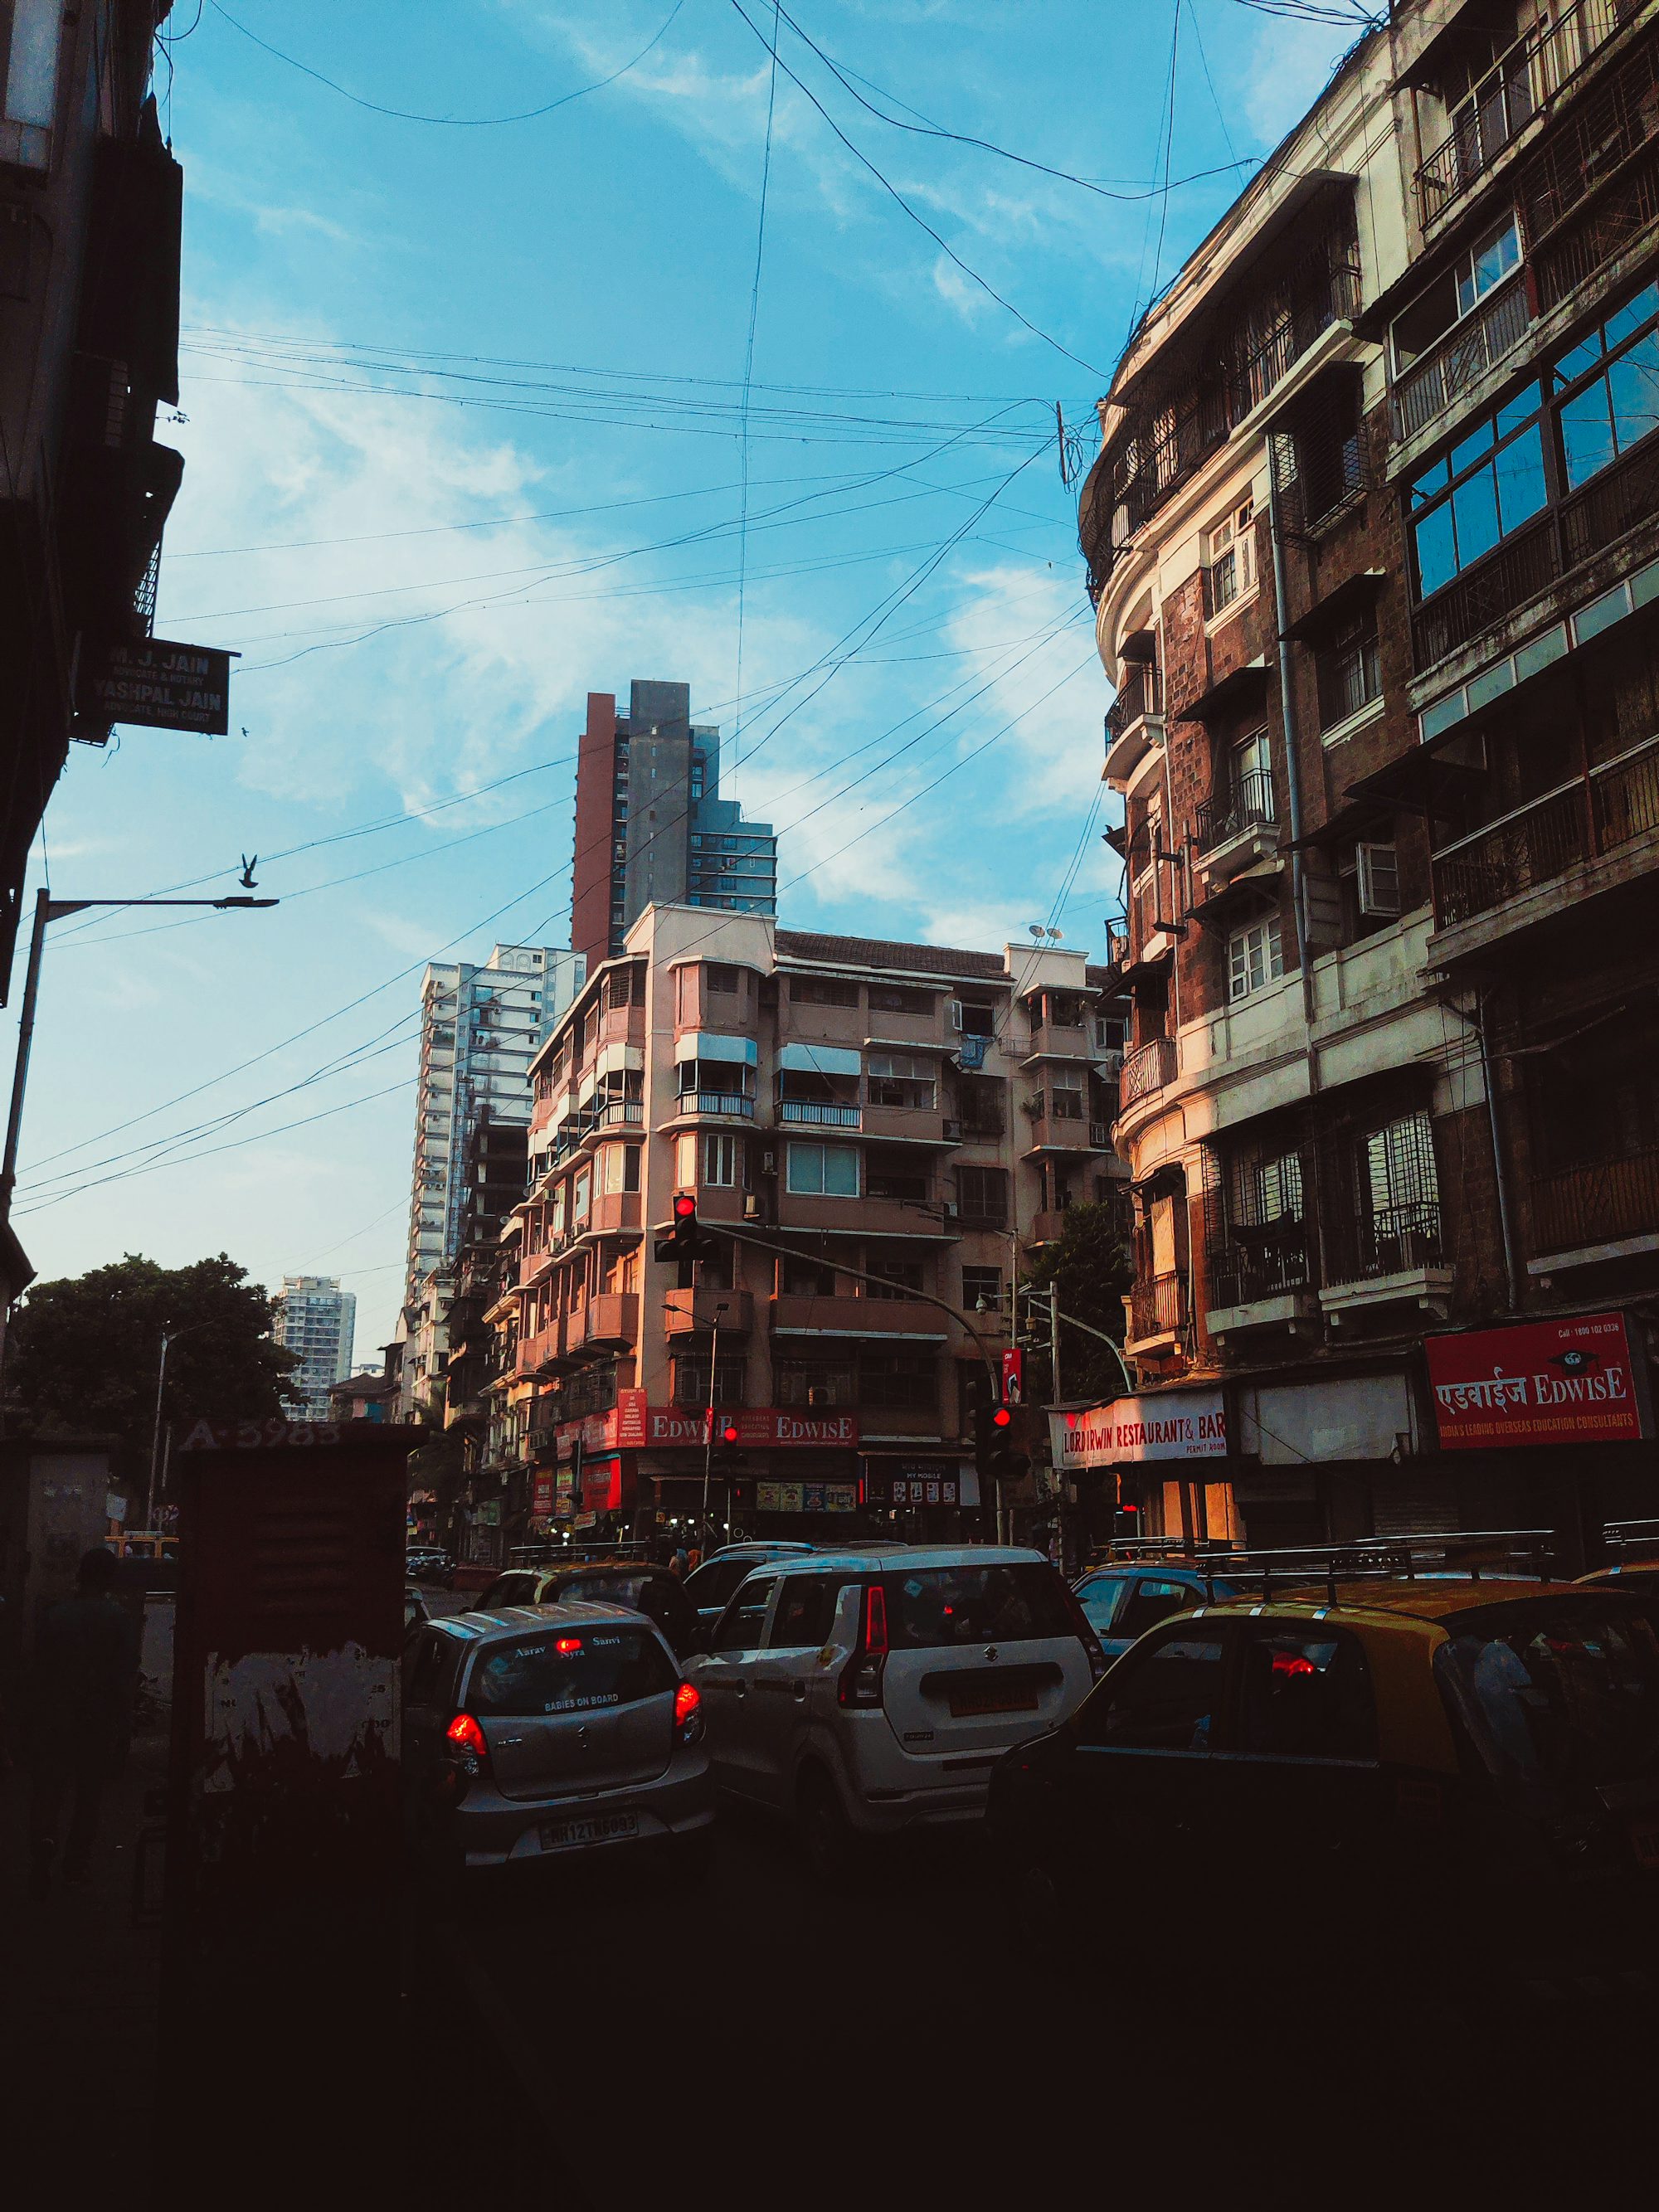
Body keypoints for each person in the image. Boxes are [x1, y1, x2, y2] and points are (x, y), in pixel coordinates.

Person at [26, 1548, 141, 1901]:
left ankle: (44, 1842)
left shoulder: (54, 1616)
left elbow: (38, 1672)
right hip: (96, 1719)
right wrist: (123, 1722)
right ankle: (75, 1866)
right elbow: (125, 1677)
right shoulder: (119, 1619)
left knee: (50, 1789)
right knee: (88, 1796)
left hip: (55, 1718)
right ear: (108, 1578)